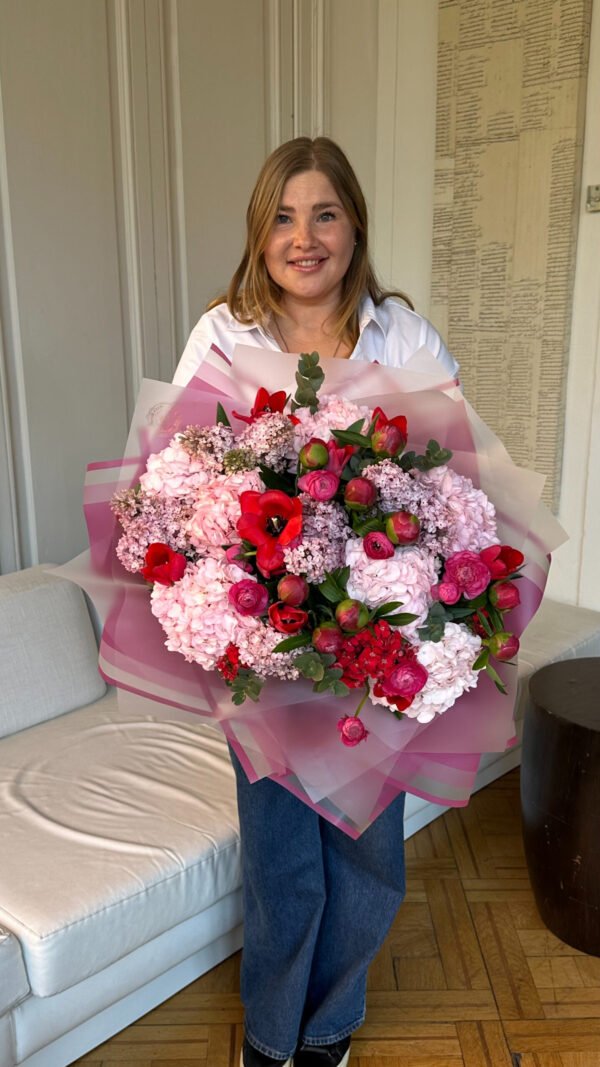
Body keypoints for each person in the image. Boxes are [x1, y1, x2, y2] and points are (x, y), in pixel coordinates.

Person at [173, 137, 459, 1067]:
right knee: (281, 852)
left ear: (355, 225)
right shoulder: (223, 335)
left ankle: (331, 1022)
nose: (306, 236)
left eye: (325, 212)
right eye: (284, 216)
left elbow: (459, 482)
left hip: (379, 640)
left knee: (369, 852)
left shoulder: (403, 338)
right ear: (260, 236)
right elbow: (178, 483)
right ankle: (271, 1033)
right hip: (265, 641)